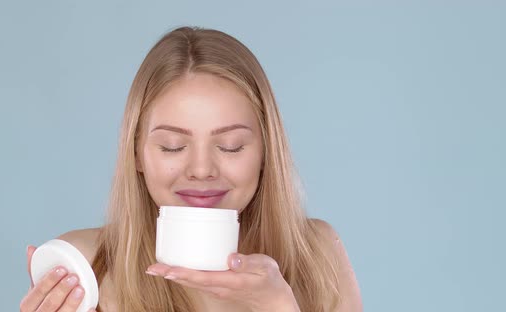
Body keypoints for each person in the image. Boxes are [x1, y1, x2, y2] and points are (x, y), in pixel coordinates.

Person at [19, 26, 362, 312]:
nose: (201, 169)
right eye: (173, 146)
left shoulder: (317, 254)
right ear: (137, 153)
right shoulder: (85, 267)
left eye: (231, 146)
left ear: (266, 152)